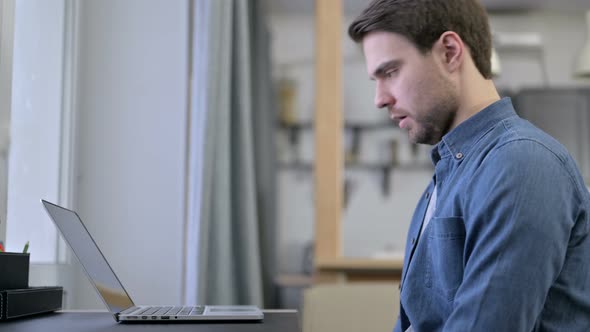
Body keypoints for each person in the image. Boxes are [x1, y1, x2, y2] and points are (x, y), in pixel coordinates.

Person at [348, 0, 590, 331]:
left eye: (390, 72)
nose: (380, 98)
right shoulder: (450, 172)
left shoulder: (521, 163)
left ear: (449, 52)